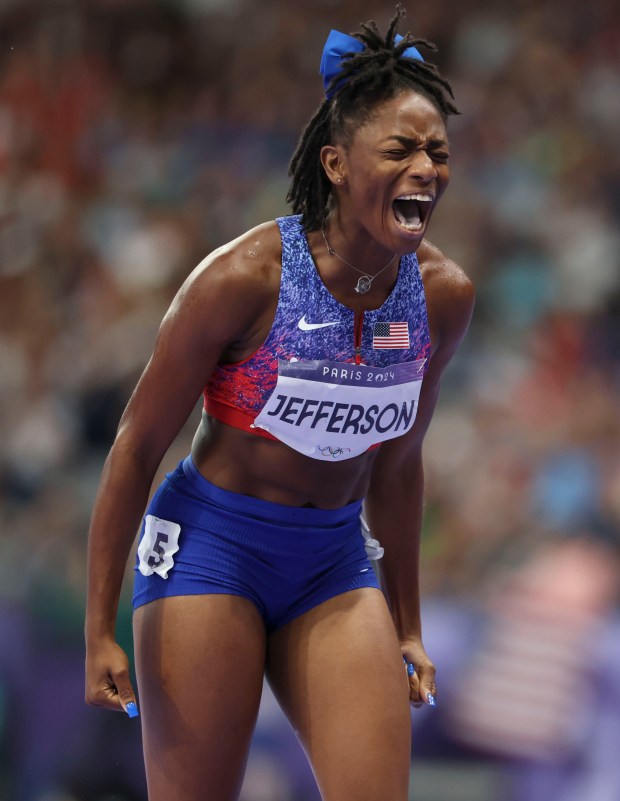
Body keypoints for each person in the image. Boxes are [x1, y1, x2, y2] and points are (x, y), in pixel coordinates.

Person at [84, 7, 474, 801]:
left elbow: (399, 465)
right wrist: (98, 626)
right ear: (335, 162)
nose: (425, 168)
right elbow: (136, 443)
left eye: (437, 151)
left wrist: (406, 621)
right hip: (209, 546)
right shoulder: (244, 278)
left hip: (332, 556)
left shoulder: (443, 295)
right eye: (399, 149)